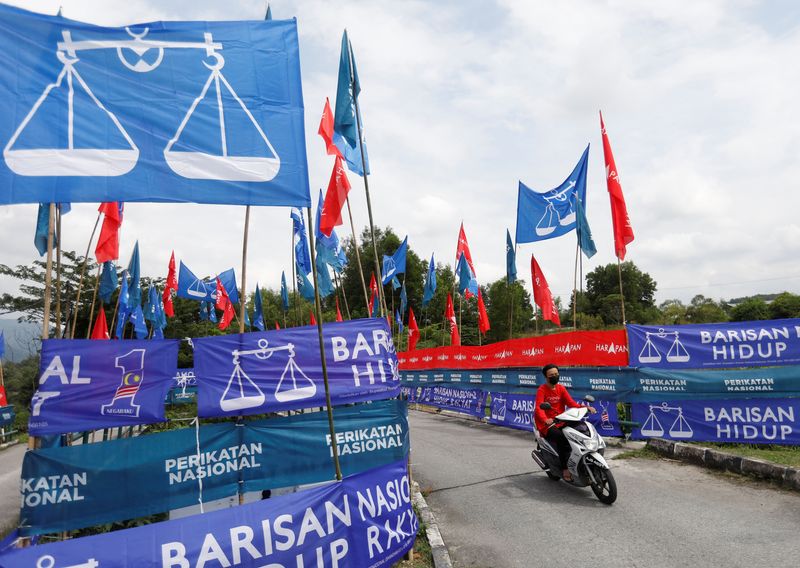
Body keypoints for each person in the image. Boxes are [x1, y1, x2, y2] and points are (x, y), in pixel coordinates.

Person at [533, 363, 595, 481]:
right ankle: (565, 468)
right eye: (552, 375)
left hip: (561, 419)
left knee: (581, 430)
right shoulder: (542, 390)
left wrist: (585, 407)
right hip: (547, 424)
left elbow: (571, 403)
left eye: (556, 374)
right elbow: (539, 408)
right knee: (562, 439)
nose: (555, 376)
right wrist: (546, 420)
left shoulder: (561, 388)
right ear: (546, 377)